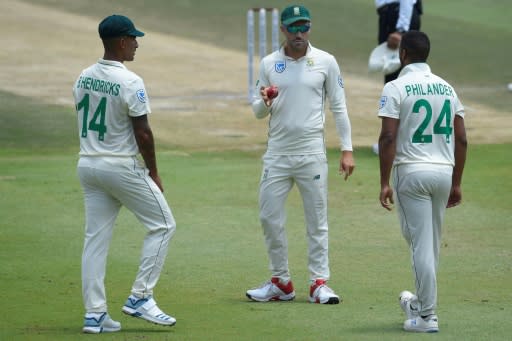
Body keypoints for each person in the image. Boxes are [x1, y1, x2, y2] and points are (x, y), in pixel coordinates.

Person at [73, 15, 177, 333]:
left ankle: (95, 314)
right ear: (120, 42)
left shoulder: (83, 77)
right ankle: (140, 297)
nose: (136, 43)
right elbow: (143, 133)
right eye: (132, 39)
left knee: (95, 241)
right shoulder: (130, 81)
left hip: (88, 165)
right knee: (163, 225)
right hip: (120, 166)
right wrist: (154, 172)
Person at [246, 5, 355, 305]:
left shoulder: (325, 61)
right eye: (293, 27)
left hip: (311, 152)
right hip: (277, 153)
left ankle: (319, 283)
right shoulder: (269, 63)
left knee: (317, 220)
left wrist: (347, 149)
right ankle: (280, 282)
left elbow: (339, 106)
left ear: (309, 28)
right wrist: (264, 100)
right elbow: (256, 111)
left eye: (304, 27)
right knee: (269, 217)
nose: (299, 33)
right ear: (282, 30)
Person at [377, 31, 467, 332]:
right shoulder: (447, 88)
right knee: (428, 245)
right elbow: (462, 140)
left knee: (419, 245)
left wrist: (384, 181)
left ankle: (427, 316)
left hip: (411, 172)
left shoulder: (395, 87)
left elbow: (388, 136)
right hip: (443, 171)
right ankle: (418, 303)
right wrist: (456, 183)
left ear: (403, 54)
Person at [375, 0, 422, 83]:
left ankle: (396, 95)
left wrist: (401, 30)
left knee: (397, 67)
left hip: (400, 16)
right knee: (391, 66)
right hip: (393, 15)